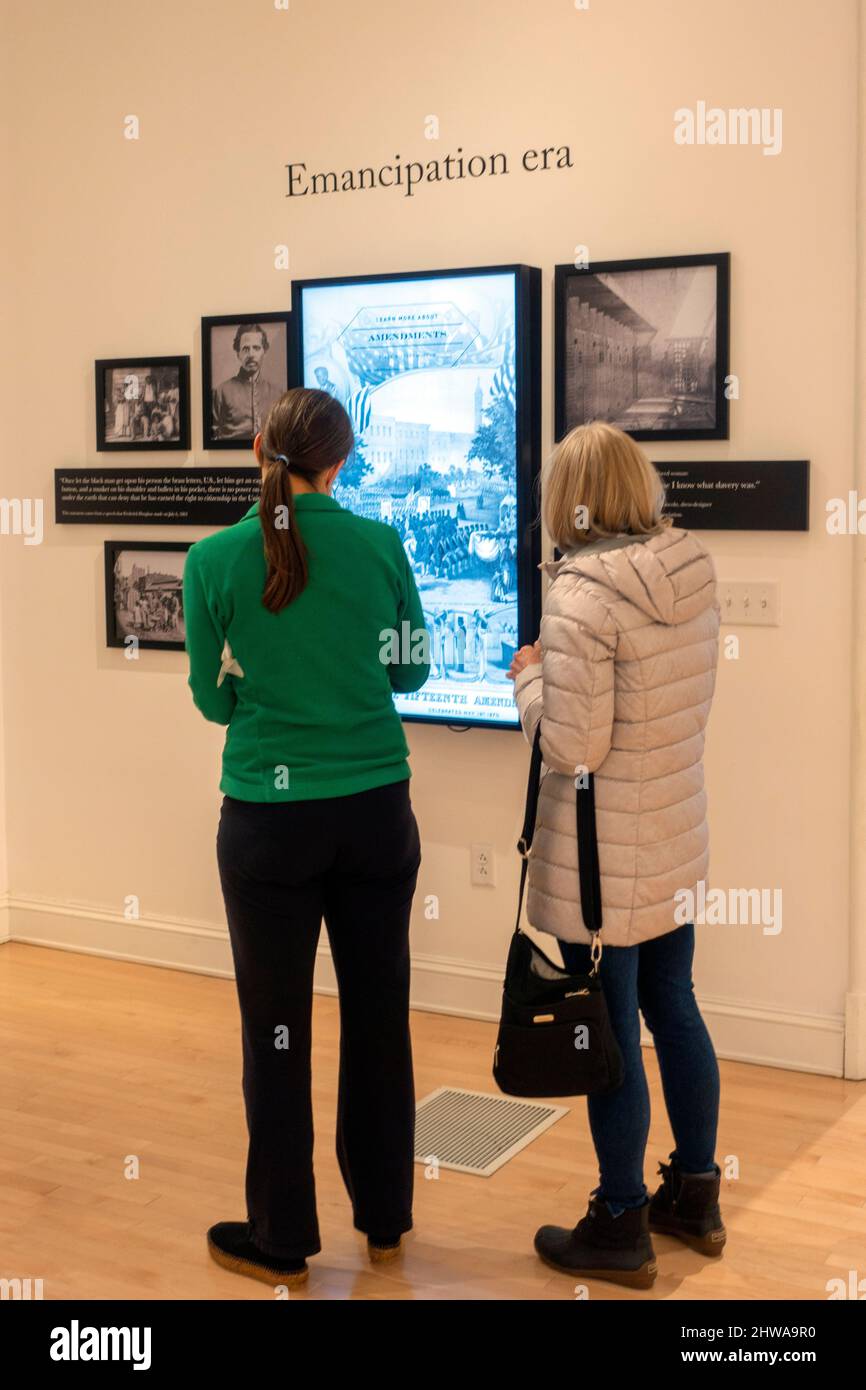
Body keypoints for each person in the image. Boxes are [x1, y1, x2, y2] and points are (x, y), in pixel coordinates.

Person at [183, 386, 430, 1289]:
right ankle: (386, 1221)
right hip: (375, 812)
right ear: (345, 457)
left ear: (257, 449)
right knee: (379, 1020)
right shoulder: (381, 545)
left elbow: (215, 701)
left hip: (266, 828)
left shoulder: (212, 560)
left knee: (275, 1032)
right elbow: (412, 670)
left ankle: (283, 1239)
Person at [508, 420, 722, 1291]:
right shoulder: (691, 569)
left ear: (569, 499)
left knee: (608, 1035)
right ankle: (696, 1195)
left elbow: (574, 746)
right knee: (675, 1008)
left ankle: (620, 1221)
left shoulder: (580, 597)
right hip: (672, 832)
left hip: (602, 861)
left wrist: (527, 677)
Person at [212, 324, 284, 441]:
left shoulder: (278, 393)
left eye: (256, 348)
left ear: (264, 352)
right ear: (238, 354)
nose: (251, 355)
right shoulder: (221, 391)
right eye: (245, 349)